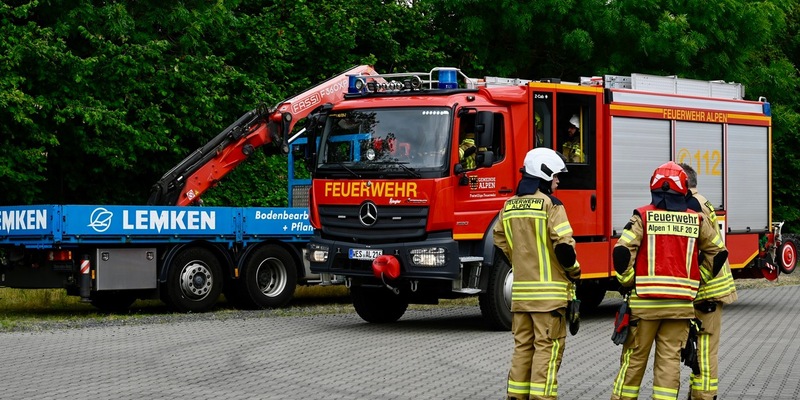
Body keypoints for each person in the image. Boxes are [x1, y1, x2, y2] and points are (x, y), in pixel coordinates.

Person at [610, 161, 728, 400]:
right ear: (683, 188)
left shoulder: (642, 216)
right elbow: (719, 252)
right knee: (669, 365)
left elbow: (622, 254)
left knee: (633, 363)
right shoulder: (695, 219)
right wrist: (698, 280)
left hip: (644, 308)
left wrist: (629, 280)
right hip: (680, 308)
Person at [493, 148, 581, 400]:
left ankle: (516, 396)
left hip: (520, 296)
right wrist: (575, 272)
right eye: (555, 176)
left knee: (522, 348)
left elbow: (499, 240)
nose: (558, 181)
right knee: (547, 349)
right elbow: (564, 248)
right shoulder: (551, 205)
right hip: (549, 299)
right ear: (543, 174)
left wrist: (518, 260)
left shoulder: (508, 206)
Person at [679, 163, 737, 400]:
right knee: (702, 346)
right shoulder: (701, 200)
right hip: (711, 286)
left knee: (704, 349)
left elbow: (698, 253)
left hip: (707, 289)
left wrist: (694, 283)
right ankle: (699, 393)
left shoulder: (692, 204)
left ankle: (704, 395)